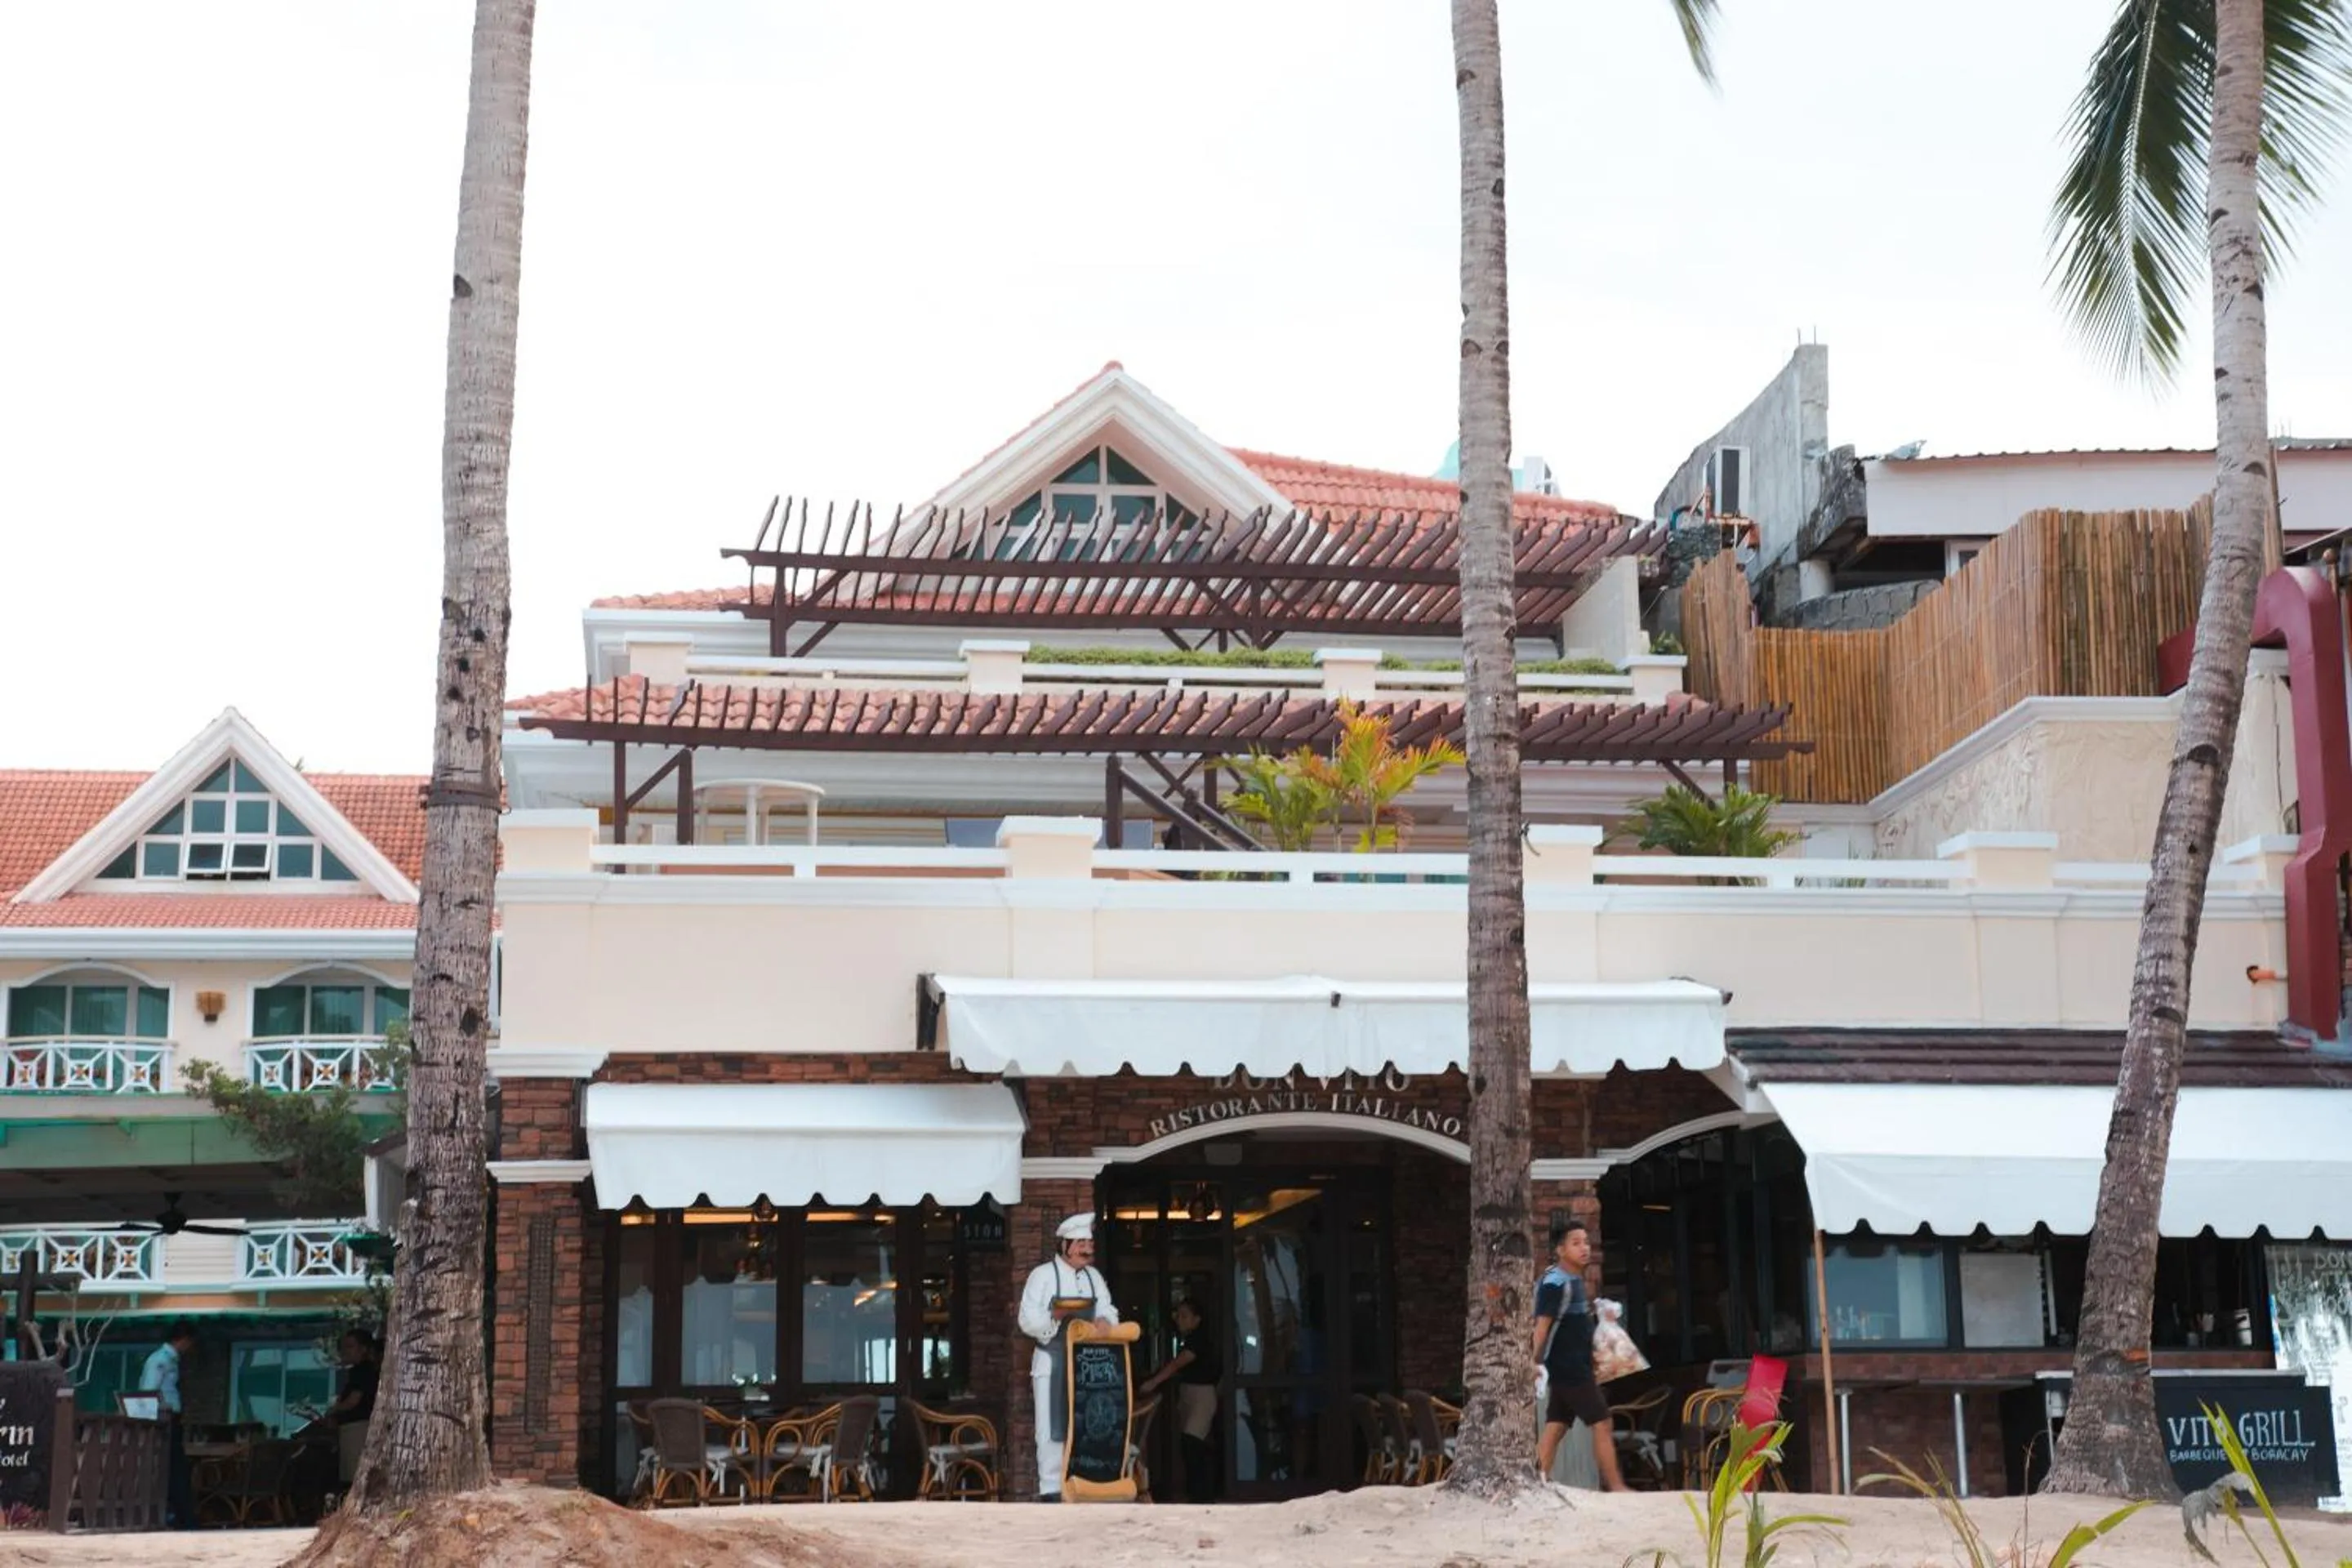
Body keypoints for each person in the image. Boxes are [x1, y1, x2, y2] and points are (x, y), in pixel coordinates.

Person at [1017, 1211, 1120, 1501]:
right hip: (1052, 1361)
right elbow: (1027, 1321)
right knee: (1050, 1428)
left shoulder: (1094, 1277)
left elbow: (1108, 1308)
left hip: (1088, 1363)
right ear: (1064, 1245)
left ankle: (1084, 1484)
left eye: (1089, 1244)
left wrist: (1104, 1321)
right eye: (1080, 1244)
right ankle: (1051, 1490)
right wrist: (1055, 1315)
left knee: (1085, 1421)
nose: (1086, 1250)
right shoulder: (1042, 1276)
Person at [1534, 1222, 1625, 1491]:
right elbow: (1542, 1326)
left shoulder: (1574, 1281)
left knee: (1556, 1427)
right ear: (1560, 1250)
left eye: (1586, 1242)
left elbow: (1573, 1324)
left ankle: (1537, 1481)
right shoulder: (1554, 1282)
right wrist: (1533, 1361)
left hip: (1571, 1367)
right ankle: (1617, 1486)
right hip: (1570, 1369)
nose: (1584, 1248)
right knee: (1601, 1421)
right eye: (1576, 1243)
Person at [287, 1330, 381, 1521]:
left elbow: (354, 1400)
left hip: (357, 1427)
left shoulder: (363, 1371)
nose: (345, 1351)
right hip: (351, 1426)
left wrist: (334, 1409)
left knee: (352, 1473)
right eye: (343, 1347)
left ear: (363, 1349)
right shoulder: (360, 1371)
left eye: (350, 1346)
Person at [1139, 1296, 1218, 1503]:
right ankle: (1196, 1493)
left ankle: (1203, 1496)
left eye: (1184, 1316)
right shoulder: (1188, 1339)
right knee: (1189, 1443)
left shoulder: (1199, 1340)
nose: (1179, 1320)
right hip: (1188, 1394)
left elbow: (1177, 1364)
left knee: (1193, 1442)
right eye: (1178, 1316)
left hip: (1201, 1395)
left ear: (1197, 1319)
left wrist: (1154, 1382)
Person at [140, 1320, 198, 1527]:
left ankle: (183, 1515)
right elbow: (149, 1390)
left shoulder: (171, 1360)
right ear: (183, 1340)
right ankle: (181, 1516)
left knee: (177, 1468)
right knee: (173, 1468)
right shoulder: (160, 1360)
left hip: (172, 1418)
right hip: (164, 1420)